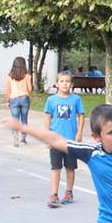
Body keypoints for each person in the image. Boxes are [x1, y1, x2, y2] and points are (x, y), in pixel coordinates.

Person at [44, 72, 86, 208]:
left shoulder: (76, 100)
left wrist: (79, 133)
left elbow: (81, 116)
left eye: (67, 82)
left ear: (72, 85)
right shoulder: (51, 100)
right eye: (62, 81)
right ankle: (54, 194)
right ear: (57, 84)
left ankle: (69, 192)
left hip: (70, 140)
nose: (65, 84)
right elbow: (47, 118)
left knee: (70, 167)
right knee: (55, 167)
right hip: (56, 140)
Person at [6, 56, 33, 146]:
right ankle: (23, 139)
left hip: (14, 98)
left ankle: (15, 136)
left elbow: (8, 90)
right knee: (24, 119)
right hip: (24, 98)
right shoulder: (27, 76)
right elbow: (30, 89)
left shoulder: (10, 76)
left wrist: (7, 100)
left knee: (15, 119)